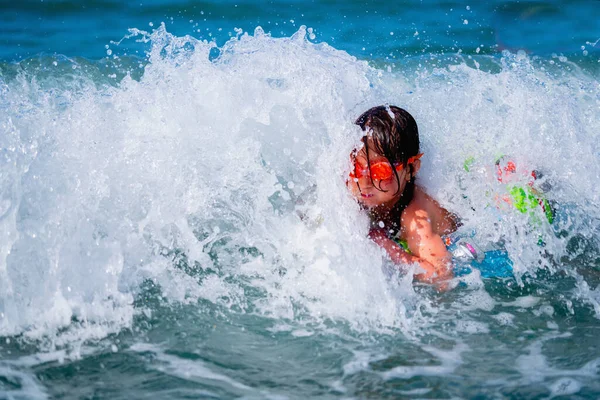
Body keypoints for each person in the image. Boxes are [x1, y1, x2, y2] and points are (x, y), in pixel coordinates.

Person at [346, 105, 459, 284]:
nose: (365, 182)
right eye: (357, 167)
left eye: (380, 171)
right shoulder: (352, 183)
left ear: (411, 169)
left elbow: (441, 276)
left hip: (460, 235)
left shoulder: (415, 217)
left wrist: (386, 246)